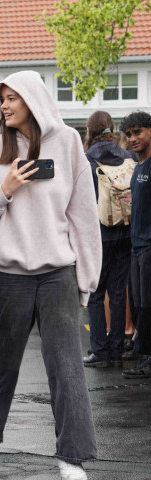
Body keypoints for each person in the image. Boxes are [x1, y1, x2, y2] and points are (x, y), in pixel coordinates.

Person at [0, 71, 101, 480]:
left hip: (58, 272)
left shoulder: (69, 142)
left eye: (12, 98)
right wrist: (4, 190)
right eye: (1, 98)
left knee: (67, 364)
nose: (4, 106)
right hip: (6, 273)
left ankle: (71, 456)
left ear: (33, 99)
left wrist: (87, 278)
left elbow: (83, 215)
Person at [82, 111, 135, 368]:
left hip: (99, 233)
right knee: (117, 292)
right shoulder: (128, 156)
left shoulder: (86, 160)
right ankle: (116, 348)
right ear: (112, 129)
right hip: (126, 231)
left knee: (95, 292)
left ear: (90, 131)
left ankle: (99, 350)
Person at [119, 112, 151, 379]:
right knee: (141, 303)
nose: (132, 139)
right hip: (137, 246)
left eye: (138, 132)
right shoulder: (138, 167)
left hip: (149, 246)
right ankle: (143, 351)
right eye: (128, 134)